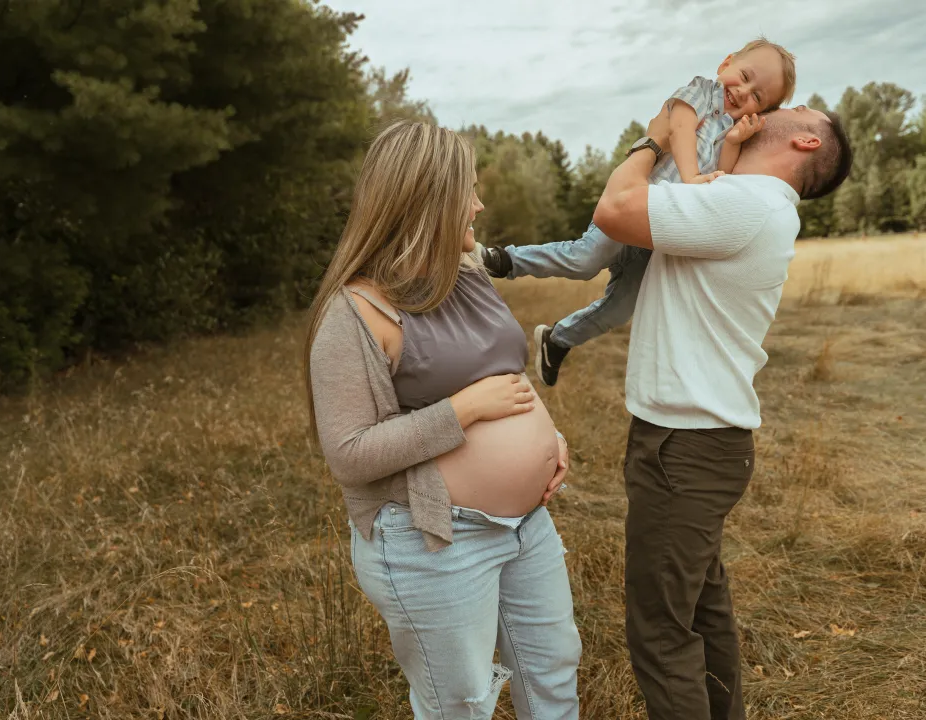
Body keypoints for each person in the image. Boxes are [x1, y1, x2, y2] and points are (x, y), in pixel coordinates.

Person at [304, 121, 581, 720]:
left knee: (554, 670)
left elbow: (509, 368)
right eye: (469, 191)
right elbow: (349, 454)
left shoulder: (469, 272)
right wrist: (464, 411)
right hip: (435, 539)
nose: (479, 203)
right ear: (425, 201)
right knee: (462, 703)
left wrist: (548, 436)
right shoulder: (355, 312)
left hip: (528, 523)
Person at [592, 103, 853, 719]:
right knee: (703, 617)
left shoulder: (748, 204)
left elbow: (612, 211)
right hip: (700, 446)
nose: (777, 104)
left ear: (808, 140)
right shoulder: (742, 197)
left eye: (796, 107)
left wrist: (653, 138)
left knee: (661, 632)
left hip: (682, 448)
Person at [479, 38, 797, 386]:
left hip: (659, 233)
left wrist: (734, 141)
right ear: (726, 63)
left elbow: (723, 174)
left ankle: (558, 339)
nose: (744, 91)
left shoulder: (731, 131)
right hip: (635, 204)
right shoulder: (699, 92)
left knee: (622, 306)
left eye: (757, 97)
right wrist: (690, 177)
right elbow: (679, 130)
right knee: (585, 260)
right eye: (745, 76)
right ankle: (504, 260)